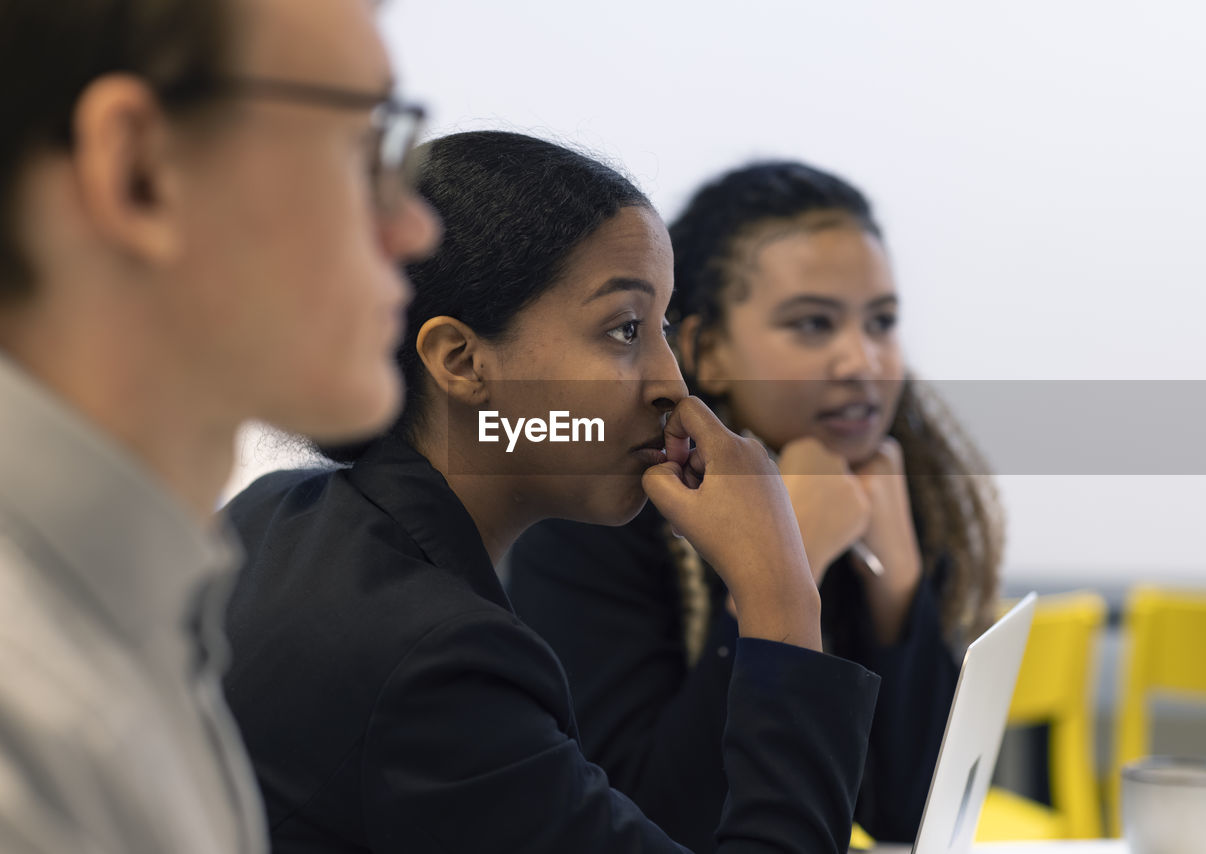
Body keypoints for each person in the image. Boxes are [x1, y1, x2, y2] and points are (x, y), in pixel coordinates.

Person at [219, 130, 881, 854]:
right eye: (625, 329)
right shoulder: (438, 665)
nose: (671, 382)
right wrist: (782, 598)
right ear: (462, 361)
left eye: (662, 328)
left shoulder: (275, 513)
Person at [0, 1, 440, 851]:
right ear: (140, 170)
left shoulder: (143, 601)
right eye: (366, 148)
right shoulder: (27, 735)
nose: (413, 226)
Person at [508, 161, 1005, 850]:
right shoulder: (602, 512)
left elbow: (913, 820)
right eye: (812, 325)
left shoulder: (871, 493)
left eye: (882, 321)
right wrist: (775, 577)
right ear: (707, 350)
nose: (860, 360)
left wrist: (900, 587)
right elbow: (656, 819)